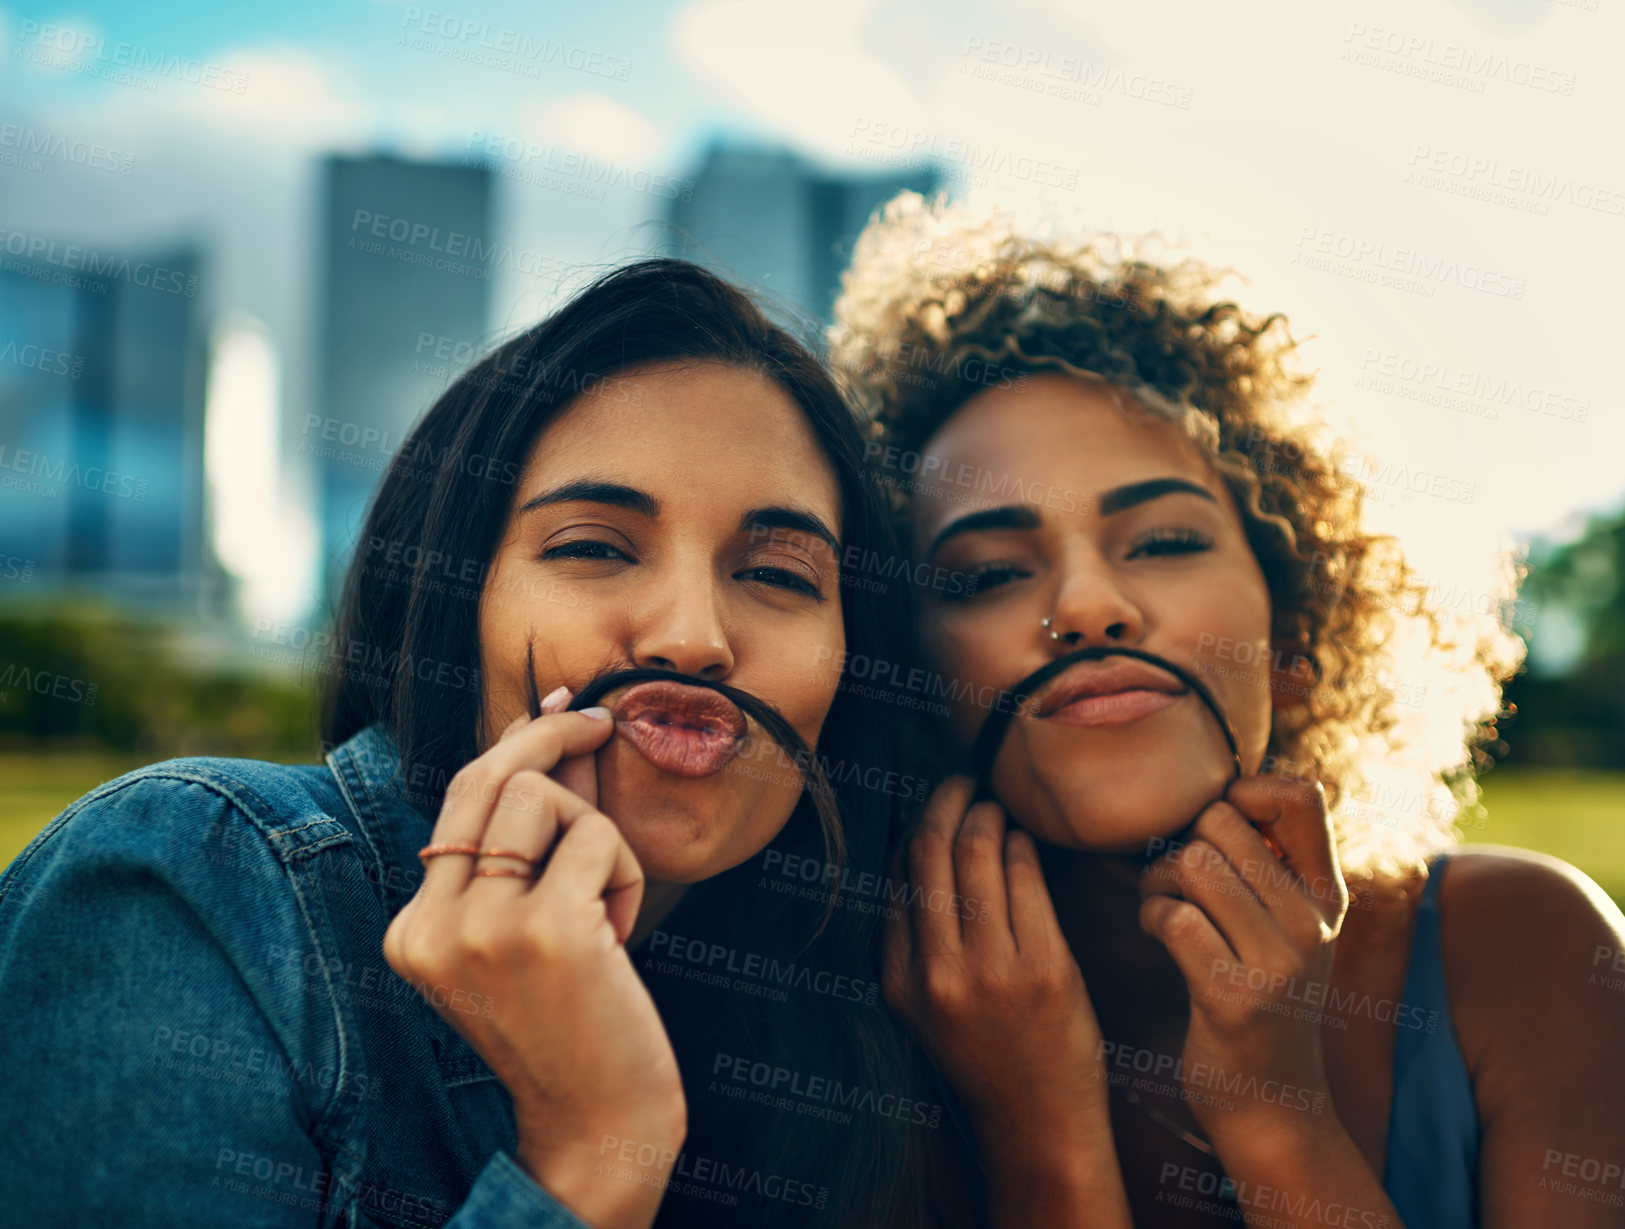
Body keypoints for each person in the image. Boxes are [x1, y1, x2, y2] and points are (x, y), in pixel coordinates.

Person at [0, 259, 934, 1229]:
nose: (691, 635)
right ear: (455, 601)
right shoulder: (199, 878)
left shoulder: (850, 1020)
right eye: (594, 547)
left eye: (778, 573)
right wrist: (591, 1152)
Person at [830, 194, 1625, 1228]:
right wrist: (1040, 1130)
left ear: (1294, 633)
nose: (1084, 605)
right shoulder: (839, 1028)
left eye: (1160, 542)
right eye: (984, 573)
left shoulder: (1528, 950)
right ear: (902, 666)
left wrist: (1270, 1112)